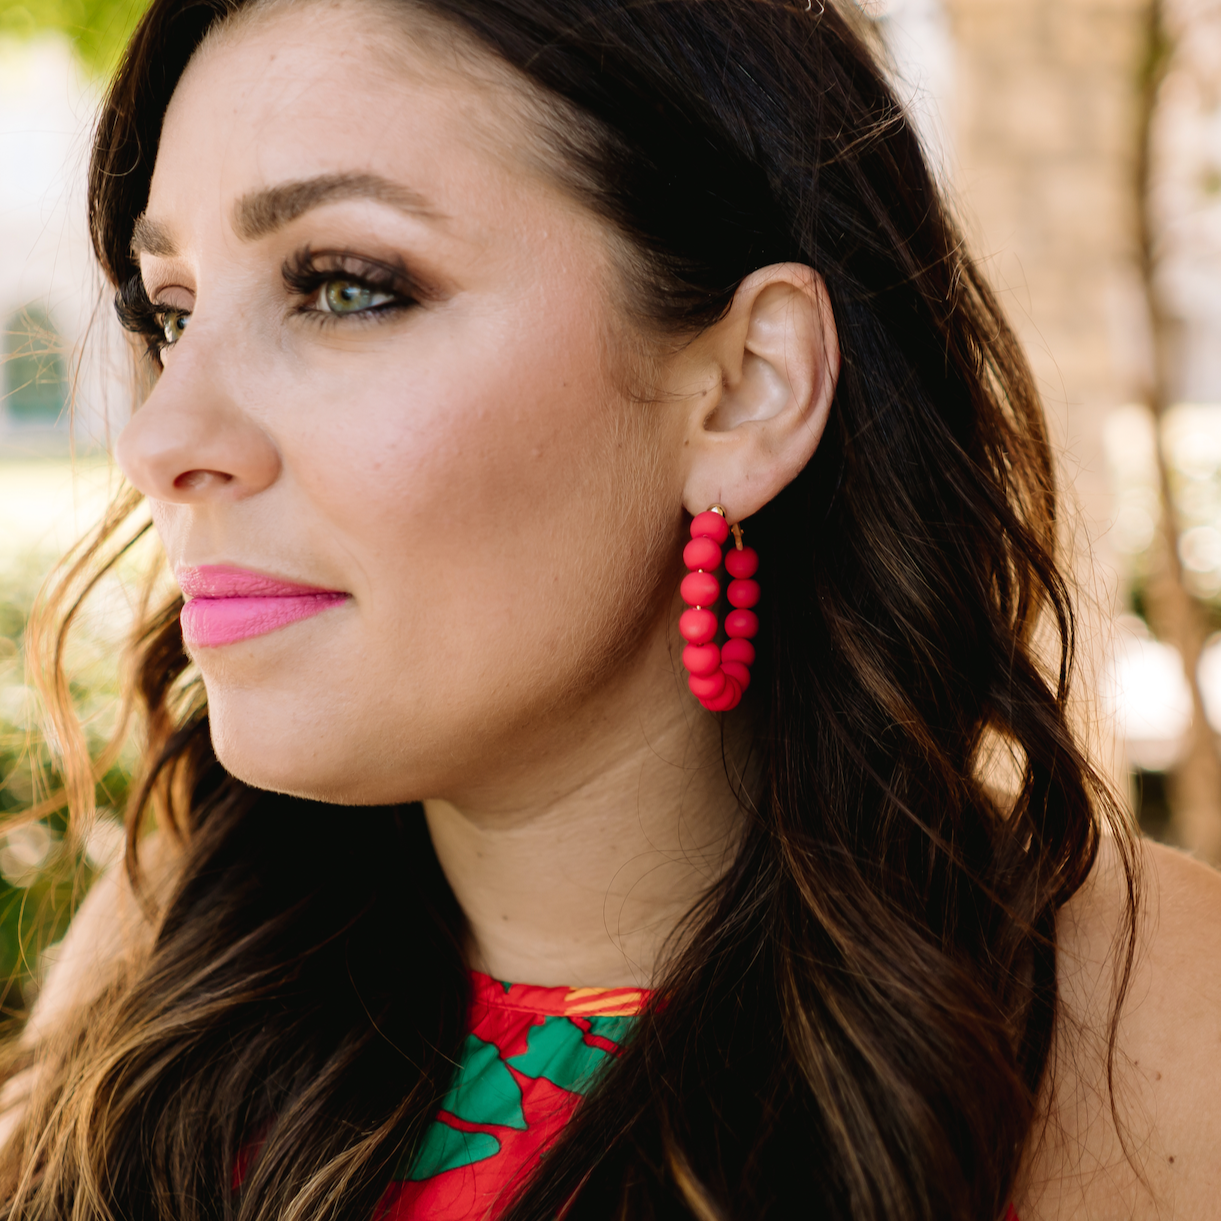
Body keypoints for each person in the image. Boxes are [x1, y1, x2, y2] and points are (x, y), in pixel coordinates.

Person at [2, 0, 1220, 1217]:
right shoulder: (153, 994)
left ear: (747, 389)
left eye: (344, 288)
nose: (162, 439)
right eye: (172, 312)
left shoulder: (1155, 1041)